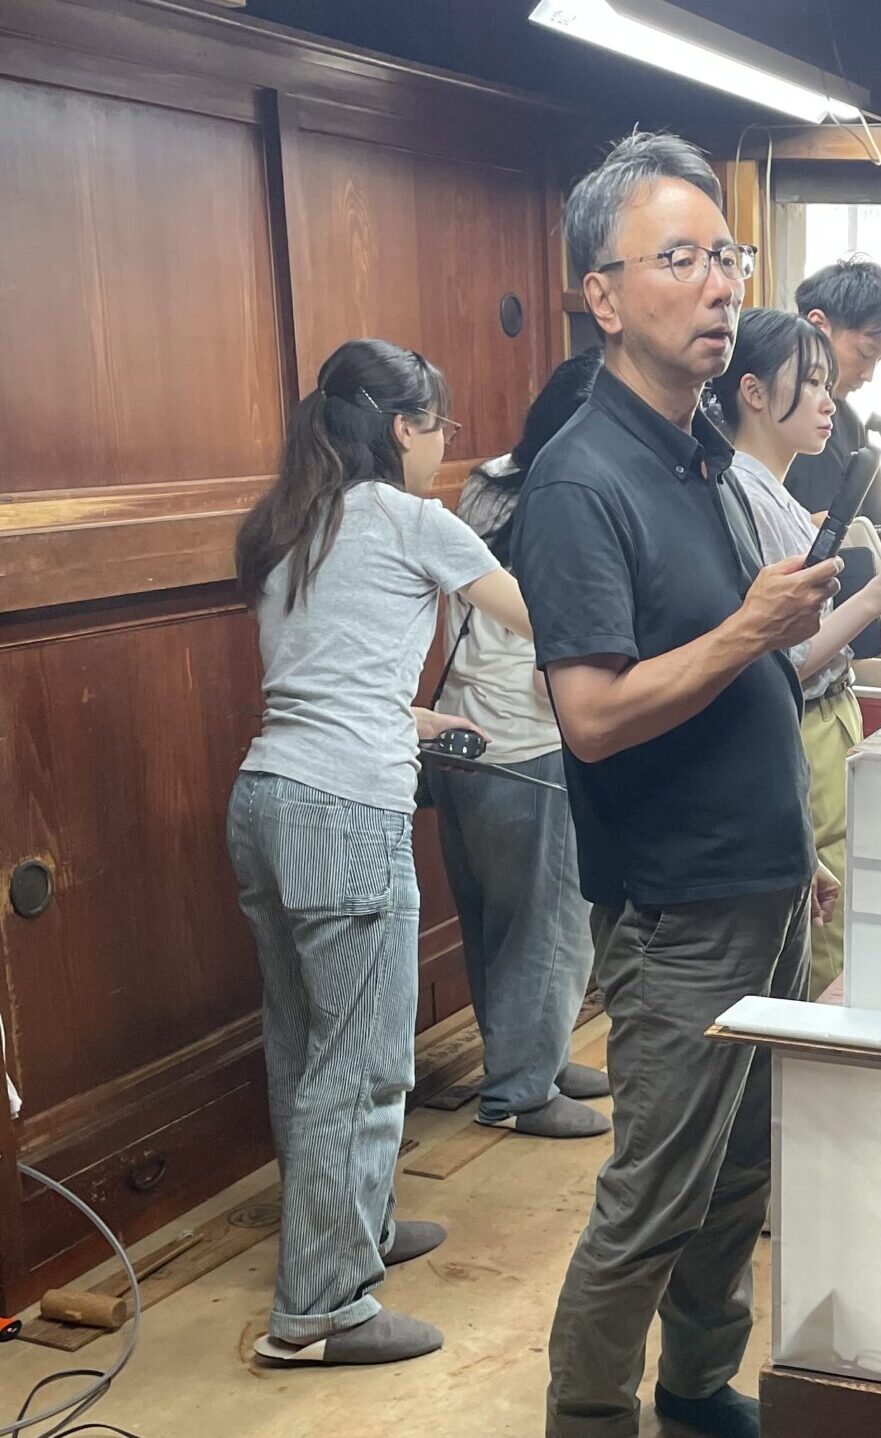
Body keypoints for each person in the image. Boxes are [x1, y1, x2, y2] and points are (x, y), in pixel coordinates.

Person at [512, 132, 843, 1438]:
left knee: (739, 1174)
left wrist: (793, 849)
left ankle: (698, 1387)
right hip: (678, 910)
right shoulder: (580, 478)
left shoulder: (696, 450)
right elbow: (592, 718)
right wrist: (755, 627)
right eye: (681, 259)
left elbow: (738, 678)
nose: (719, 286)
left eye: (727, 256)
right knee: (653, 1195)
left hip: (761, 883)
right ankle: (590, 1419)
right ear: (603, 294)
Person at [228, 337, 535, 1366]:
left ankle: (351, 1228)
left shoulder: (291, 522)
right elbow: (545, 618)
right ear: (404, 428)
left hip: (266, 798)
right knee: (358, 1063)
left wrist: (423, 723)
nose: (447, 446)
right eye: (440, 427)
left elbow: (325, 681)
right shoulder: (412, 520)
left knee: (302, 1044)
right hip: (343, 811)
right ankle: (320, 1309)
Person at [711, 308, 881, 997]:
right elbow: (780, 657)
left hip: (827, 718)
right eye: (811, 383)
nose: (829, 400)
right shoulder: (744, 496)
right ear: (753, 392)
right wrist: (873, 602)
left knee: (834, 918)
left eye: (826, 383)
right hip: (801, 727)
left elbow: (817, 641)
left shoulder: (777, 497)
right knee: (824, 942)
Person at [426, 348, 612, 1140]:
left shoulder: (488, 482)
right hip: (531, 741)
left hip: (463, 737)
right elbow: (558, 651)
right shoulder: (568, 502)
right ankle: (521, 1095)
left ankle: (533, 1058)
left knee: (494, 921)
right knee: (550, 926)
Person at [783, 257, 881, 527]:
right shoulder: (767, 415)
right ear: (818, 326)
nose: (868, 375)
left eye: (879, 360)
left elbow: (871, 524)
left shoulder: (850, 424)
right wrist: (803, 527)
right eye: (865, 354)